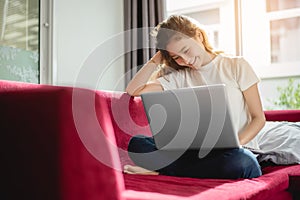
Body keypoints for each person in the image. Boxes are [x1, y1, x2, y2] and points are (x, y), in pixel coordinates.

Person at [123, 15, 284, 179]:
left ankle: (163, 169)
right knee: (137, 144)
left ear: (198, 36)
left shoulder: (236, 66)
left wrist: (238, 142)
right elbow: (133, 90)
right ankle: (173, 168)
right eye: (177, 57)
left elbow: (259, 118)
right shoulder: (180, 77)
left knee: (244, 163)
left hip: (235, 152)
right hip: (193, 153)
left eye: (185, 50)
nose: (185, 60)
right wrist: (157, 59)